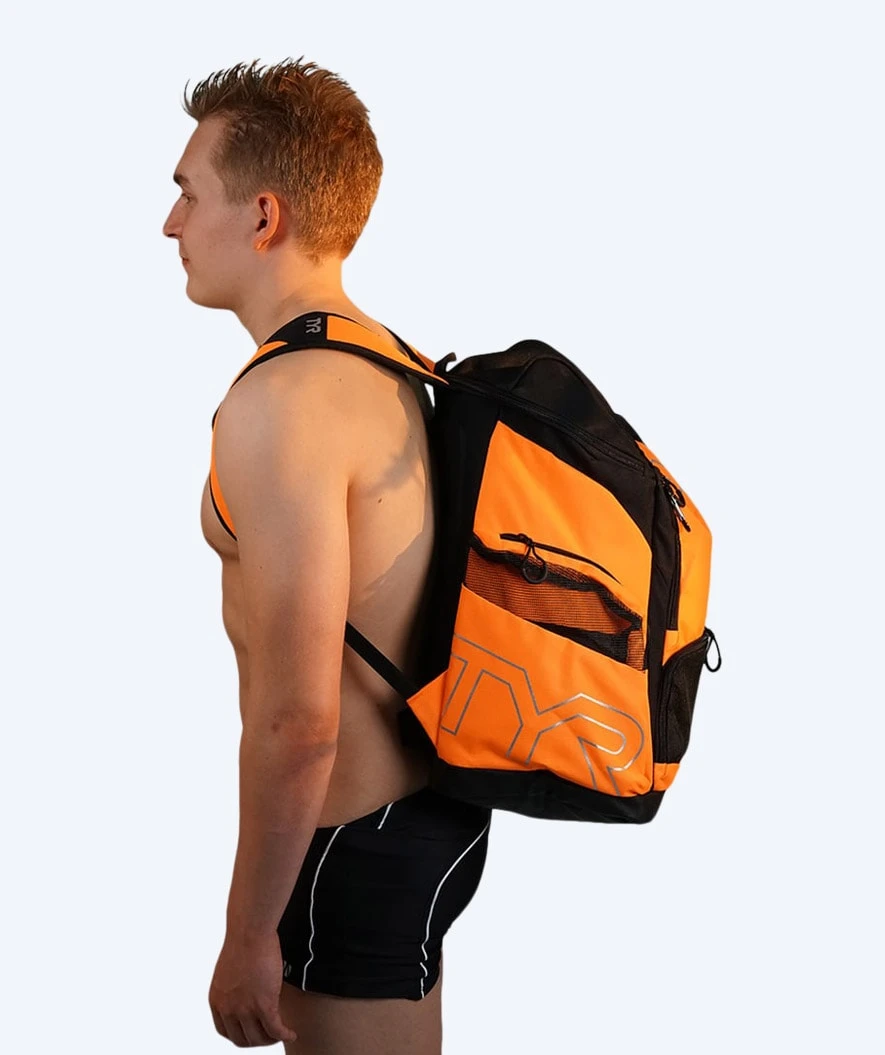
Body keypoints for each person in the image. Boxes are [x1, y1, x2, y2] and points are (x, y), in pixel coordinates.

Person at [161, 58, 492, 1053]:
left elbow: (300, 719)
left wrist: (248, 931)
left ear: (263, 216)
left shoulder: (283, 401)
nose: (170, 223)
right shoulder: (385, 359)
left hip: (348, 840)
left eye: (188, 193)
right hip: (424, 811)